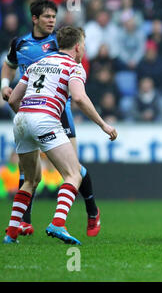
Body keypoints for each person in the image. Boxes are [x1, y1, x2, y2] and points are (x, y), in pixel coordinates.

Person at [3, 26, 117, 244]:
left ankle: (11, 232)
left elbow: (12, 99)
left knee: (30, 179)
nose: (84, 49)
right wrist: (104, 125)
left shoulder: (37, 64)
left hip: (22, 119)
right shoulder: (74, 67)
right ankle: (58, 222)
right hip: (45, 120)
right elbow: (79, 98)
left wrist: (28, 120)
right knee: (74, 174)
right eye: (83, 44)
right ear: (77, 46)